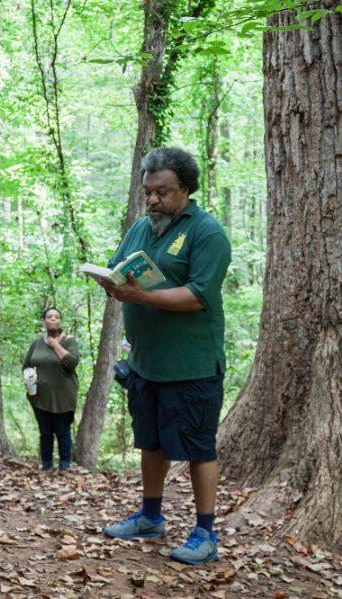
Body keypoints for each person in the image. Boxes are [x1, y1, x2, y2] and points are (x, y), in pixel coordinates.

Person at [96, 147, 231, 565]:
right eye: (148, 192)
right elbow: (119, 266)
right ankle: (150, 516)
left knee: (197, 447)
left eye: (163, 192)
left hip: (190, 365)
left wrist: (142, 295)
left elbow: (197, 295)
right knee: (151, 443)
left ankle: (205, 533)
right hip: (146, 362)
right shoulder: (141, 227)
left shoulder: (206, 232)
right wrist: (112, 282)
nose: (154, 200)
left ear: (185, 190)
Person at [22, 307, 80, 471]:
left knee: (62, 431)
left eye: (56, 317)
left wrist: (55, 344)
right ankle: (46, 465)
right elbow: (27, 366)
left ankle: (64, 465)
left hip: (63, 396)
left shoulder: (69, 341)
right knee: (45, 431)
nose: (53, 319)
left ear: (60, 321)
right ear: (44, 321)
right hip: (39, 395)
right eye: (49, 317)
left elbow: (71, 363)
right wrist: (29, 382)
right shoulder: (37, 343)